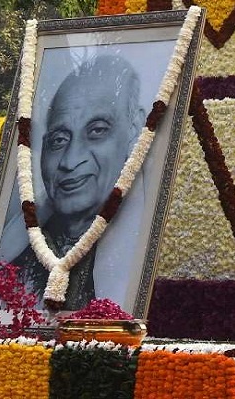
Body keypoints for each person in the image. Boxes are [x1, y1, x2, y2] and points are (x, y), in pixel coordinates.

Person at [11, 54, 146, 310]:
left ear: (134, 130)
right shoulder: (16, 262)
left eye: (97, 131)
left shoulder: (141, 244)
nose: (70, 161)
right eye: (59, 139)